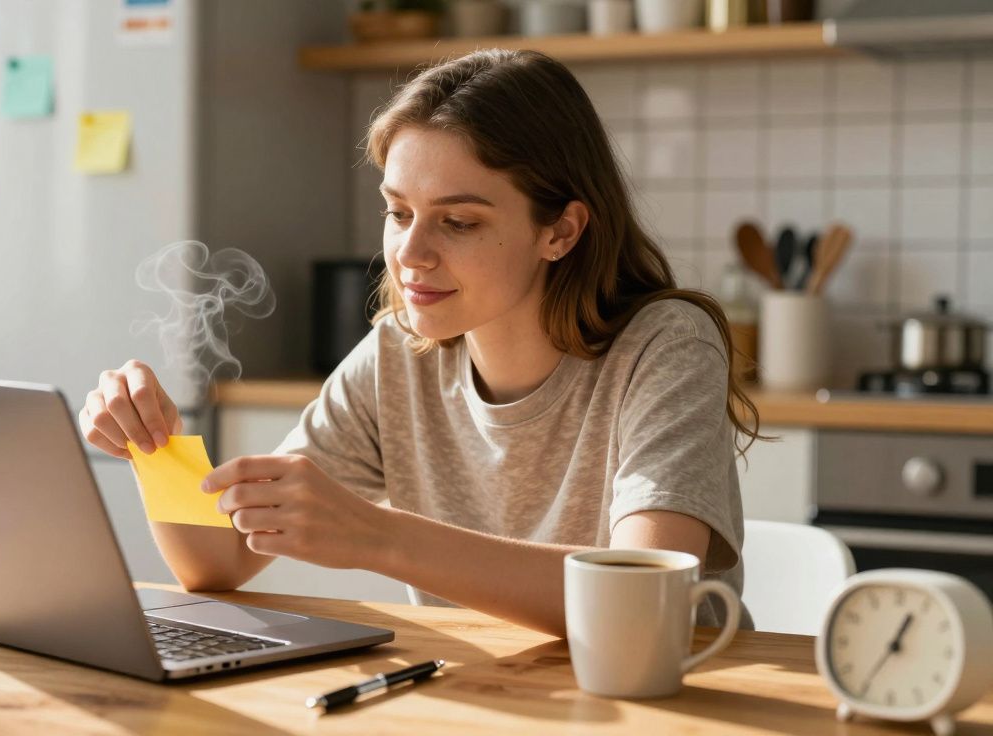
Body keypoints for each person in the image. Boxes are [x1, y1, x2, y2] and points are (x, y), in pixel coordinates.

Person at [79, 49, 762, 635]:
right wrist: (154, 446)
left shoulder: (666, 347)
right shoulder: (397, 356)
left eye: (458, 221)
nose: (409, 253)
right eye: (398, 212)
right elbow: (217, 563)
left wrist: (377, 537)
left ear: (562, 231)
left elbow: (642, 600)